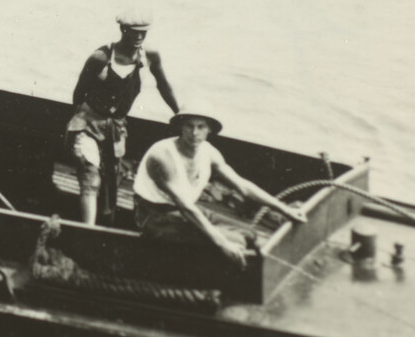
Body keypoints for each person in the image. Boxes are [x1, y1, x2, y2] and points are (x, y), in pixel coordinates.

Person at [132, 107, 308, 264]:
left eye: (201, 127)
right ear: (181, 127)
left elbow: (243, 186)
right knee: (236, 240)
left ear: (209, 130)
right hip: (154, 216)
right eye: (189, 126)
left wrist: (285, 210)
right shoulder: (162, 155)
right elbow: (185, 206)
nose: (194, 133)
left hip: (186, 211)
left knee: (251, 234)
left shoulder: (208, 151)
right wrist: (222, 243)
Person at [66, 13, 180, 225]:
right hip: (88, 123)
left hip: (116, 127)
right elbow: (78, 94)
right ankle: (87, 230)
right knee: (90, 179)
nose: (139, 37)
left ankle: (104, 226)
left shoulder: (149, 56)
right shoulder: (100, 58)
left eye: (143, 33)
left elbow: (163, 85)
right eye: (134, 32)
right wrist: (80, 126)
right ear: (123, 30)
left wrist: (179, 113)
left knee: (111, 181)